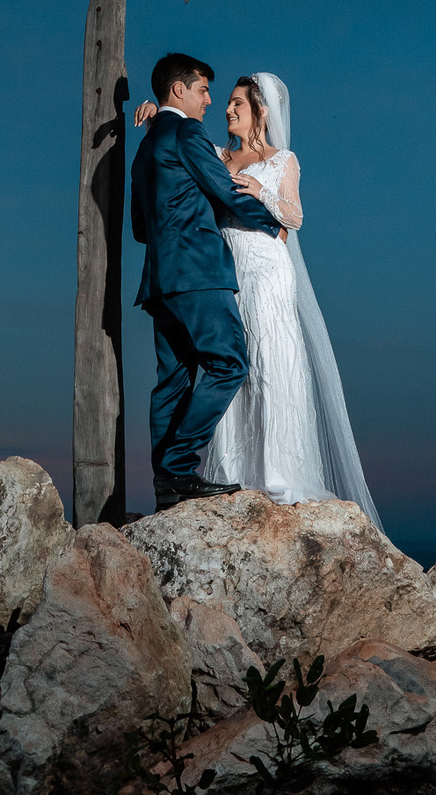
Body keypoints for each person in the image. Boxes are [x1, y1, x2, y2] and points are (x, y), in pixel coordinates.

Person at [135, 71, 382, 523]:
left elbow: (295, 217)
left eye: (237, 103)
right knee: (226, 367)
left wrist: (264, 192)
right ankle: (229, 470)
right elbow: (175, 152)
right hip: (224, 271)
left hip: (266, 270)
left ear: (261, 111)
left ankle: (278, 471)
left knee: (268, 363)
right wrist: (156, 116)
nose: (226, 109)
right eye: (223, 101)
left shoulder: (283, 160)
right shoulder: (215, 154)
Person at [130, 53, 283, 511]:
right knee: (229, 363)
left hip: (160, 280)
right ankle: (179, 466)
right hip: (198, 273)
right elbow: (223, 187)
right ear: (179, 90)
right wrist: (272, 222)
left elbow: (140, 227)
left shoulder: (146, 144)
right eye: (202, 90)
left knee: (173, 380)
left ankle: (165, 486)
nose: (209, 101)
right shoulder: (186, 131)